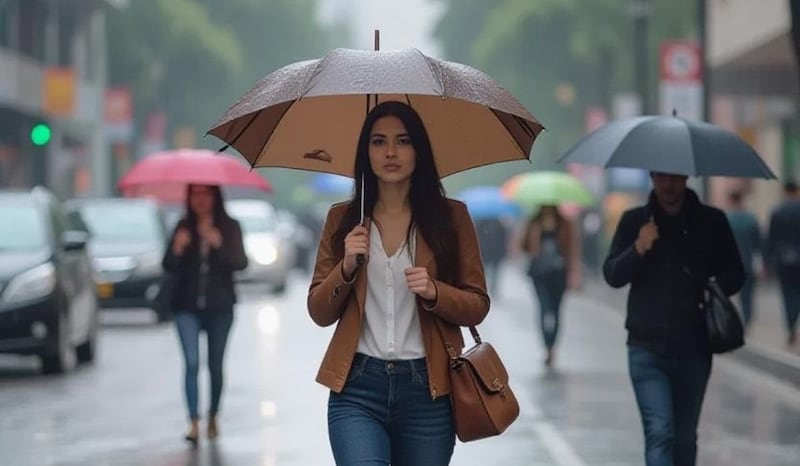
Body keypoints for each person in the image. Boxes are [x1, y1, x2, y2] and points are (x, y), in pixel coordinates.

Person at [307, 101, 490, 465]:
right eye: (378, 142)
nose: (390, 152)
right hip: (357, 388)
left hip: (428, 392)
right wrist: (345, 267)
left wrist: (436, 291)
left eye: (402, 141)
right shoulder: (343, 219)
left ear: (418, 150)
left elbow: (477, 304)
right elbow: (318, 311)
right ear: (366, 152)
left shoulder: (452, 218)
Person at [603, 172, 744, 466]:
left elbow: (736, 275)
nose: (668, 185)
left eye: (675, 177)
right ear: (653, 177)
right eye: (662, 177)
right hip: (646, 347)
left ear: (687, 177)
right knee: (660, 432)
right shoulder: (635, 220)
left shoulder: (711, 221)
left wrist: (709, 280)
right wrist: (639, 247)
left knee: (684, 439)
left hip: (695, 346)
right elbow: (613, 275)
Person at [162, 184, 247, 445]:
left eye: (205, 194)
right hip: (186, 307)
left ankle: (213, 416)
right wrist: (177, 248)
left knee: (215, 365)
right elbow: (167, 265)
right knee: (191, 363)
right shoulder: (182, 226)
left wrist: (218, 244)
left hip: (220, 308)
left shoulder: (229, 226)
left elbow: (241, 263)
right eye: (195, 194)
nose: (200, 200)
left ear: (215, 196)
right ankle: (193, 421)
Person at [521, 204, 580, 368]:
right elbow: (522, 244)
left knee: (555, 310)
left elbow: (572, 249)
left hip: (559, 274)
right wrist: (534, 243)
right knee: (544, 308)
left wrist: (574, 272)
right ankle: (546, 346)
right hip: (539, 273)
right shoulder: (533, 222)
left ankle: (552, 346)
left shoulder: (565, 223)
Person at [766, 180, 800, 348]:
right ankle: (795, 322)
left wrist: (768, 262)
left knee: (787, 295)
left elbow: (771, 239)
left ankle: (791, 326)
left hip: (783, 260)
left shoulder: (777, 212)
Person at [725, 191, 763, 327]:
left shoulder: (726, 219)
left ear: (730, 201)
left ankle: (732, 320)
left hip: (729, 265)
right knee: (747, 295)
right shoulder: (751, 219)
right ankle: (747, 319)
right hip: (748, 262)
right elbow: (759, 243)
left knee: (729, 294)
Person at [474, 216, 508, 297]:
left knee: (485, 272)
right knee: (494, 273)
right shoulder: (500, 226)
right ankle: (492, 290)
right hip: (495, 252)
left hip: (485, 252)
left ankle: (484, 288)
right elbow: (503, 240)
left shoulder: (480, 224)